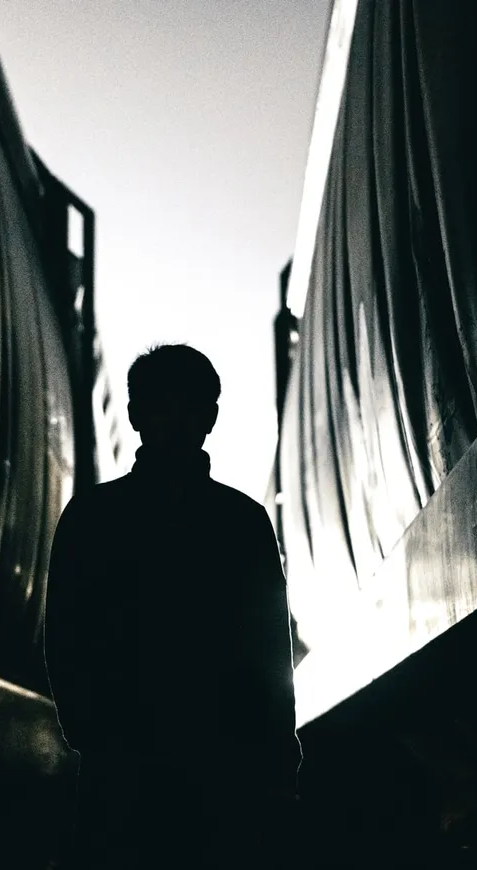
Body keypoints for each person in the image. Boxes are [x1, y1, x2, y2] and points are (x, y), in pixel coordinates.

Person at [43, 344, 302, 869]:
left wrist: (93, 734)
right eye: (162, 404)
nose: (176, 419)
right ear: (137, 414)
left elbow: (271, 649)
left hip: (148, 773)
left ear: (209, 417)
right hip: (180, 770)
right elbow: (65, 636)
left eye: (189, 406)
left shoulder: (94, 518)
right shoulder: (240, 522)